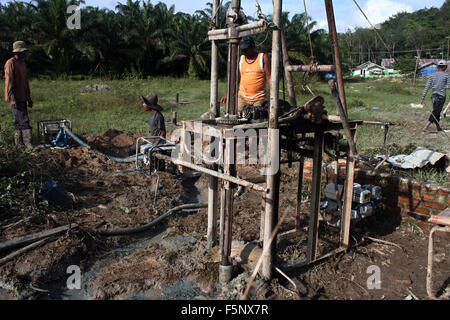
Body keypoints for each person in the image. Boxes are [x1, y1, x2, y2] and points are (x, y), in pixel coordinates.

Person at [220, 36, 271, 115]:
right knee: (233, 114)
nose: (244, 51)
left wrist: (273, 97)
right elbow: (237, 79)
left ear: (252, 47)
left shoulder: (263, 58)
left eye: (246, 49)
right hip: (242, 97)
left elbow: (269, 78)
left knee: (255, 116)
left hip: (258, 99)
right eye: (242, 49)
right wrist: (228, 93)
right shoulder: (241, 59)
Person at [4, 41, 33, 149]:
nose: (25, 54)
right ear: (18, 52)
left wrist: (29, 98)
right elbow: (9, 82)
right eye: (23, 52)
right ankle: (28, 144)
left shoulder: (22, 63)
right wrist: (12, 99)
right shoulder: (10, 63)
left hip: (23, 96)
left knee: (18, 121)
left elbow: (25, 82)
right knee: (24, 120)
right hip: (15, 97)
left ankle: (18, 145)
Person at [420, 60, 450, 132]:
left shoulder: (432, 75)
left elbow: (427, 86)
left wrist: (423, 96)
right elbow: (449, 86)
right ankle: (426, 126)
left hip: (434, 96)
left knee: (437, 111)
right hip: (441, 96)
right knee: (436, 112)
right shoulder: (446, 75)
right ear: (445, 67)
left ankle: (438, 127)